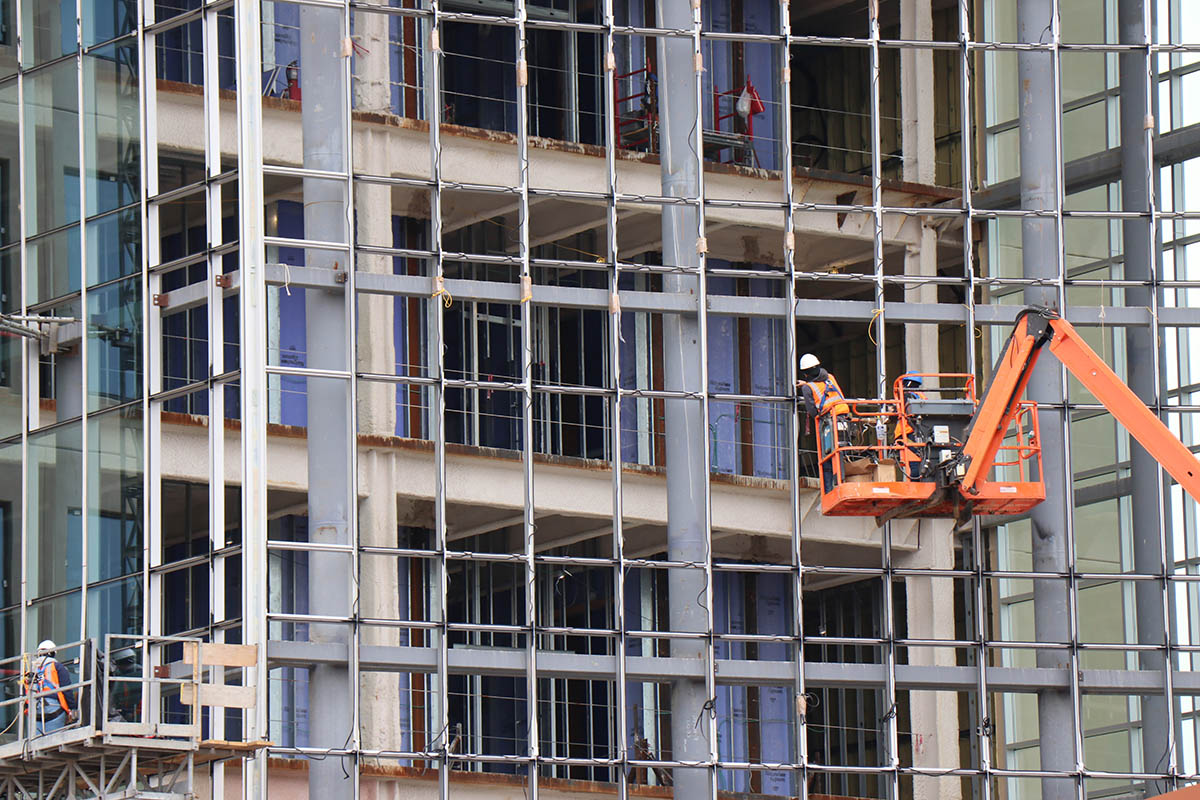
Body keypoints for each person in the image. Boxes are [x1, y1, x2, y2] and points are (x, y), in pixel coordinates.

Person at [797, 354, 849, 491]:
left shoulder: (807, 388)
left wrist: (805, 386)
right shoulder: (830, 377)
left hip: (829, 421)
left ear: (805, 373)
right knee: (840, 452)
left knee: (827, 456)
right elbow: (820, 383)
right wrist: (807, 384)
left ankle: (829, 490)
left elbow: (813, 411)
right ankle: (841, 483)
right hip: (844, 416)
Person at [24, 640, 76, 736]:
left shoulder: (30, 670)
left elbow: (26, 692)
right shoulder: (58, 667)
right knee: (52, 743)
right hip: (53, 707)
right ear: (52, 653)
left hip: (34, 708)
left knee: (36, 744)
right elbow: (66, 689)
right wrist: (73, 708)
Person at [895, 375, 927, 480]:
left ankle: (916, 487)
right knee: (918, 462)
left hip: (909, 432)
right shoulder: (920, 396)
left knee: (915, 464)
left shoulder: (906, 396)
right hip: (915, 432)